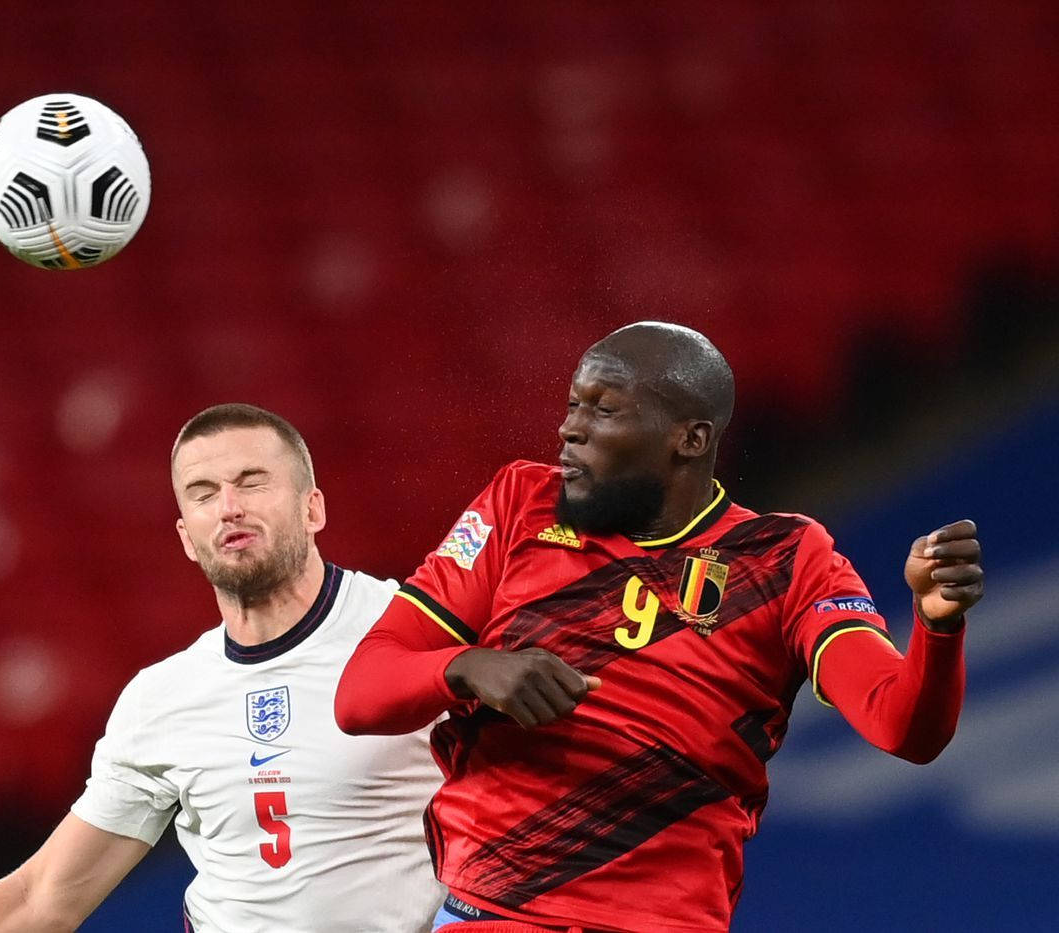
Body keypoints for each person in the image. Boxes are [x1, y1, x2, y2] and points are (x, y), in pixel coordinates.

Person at [335, 322, 983, 933]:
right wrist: (469, 666)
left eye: (603, 409)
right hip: (490, 910)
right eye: (571, 405)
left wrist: (937, 624)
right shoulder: (520, 505)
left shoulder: (783, 560)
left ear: (690, 438)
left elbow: (902, 725)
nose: (568, 429)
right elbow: (361, 692)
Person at [0, 403, 445, 932]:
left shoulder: (416, 632)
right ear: (187, 536)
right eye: (204, 494)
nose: (228, 508)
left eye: (252, 483)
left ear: (312, 509)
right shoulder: (162, 699)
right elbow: (42, 898)